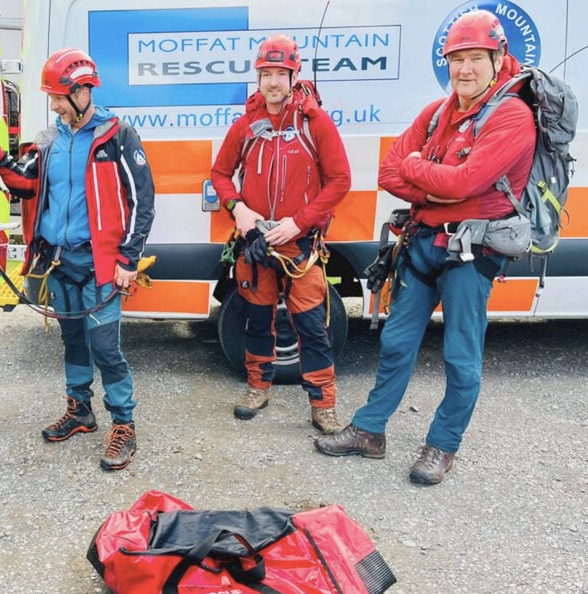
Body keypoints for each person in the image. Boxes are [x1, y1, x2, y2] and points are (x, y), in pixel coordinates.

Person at [315, 10, 536, 485]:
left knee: (460, 356)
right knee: (395, 343)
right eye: (457, 59)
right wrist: (441, 190)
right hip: (422, 246)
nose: (465, 69)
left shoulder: (513, 116)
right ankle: (371, 431)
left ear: (498, 59)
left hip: (471, 255)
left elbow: (469, 180)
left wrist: (425, 176)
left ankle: (442, 445)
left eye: (476, 58)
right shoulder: (436, 112)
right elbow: (388, 172)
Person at [0, 48, 155, 471]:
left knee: (105, 347)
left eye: (59, 96)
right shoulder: (50, 139)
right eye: (52, 97)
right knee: (73, 339)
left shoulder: (117, 134)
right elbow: (26, 185)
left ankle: (124, 424)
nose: (54, 104)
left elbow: (142, 202)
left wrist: (127, 260)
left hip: (100, 263)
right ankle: (80, 409)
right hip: (58, 261)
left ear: (83, 91)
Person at [210, 35, 351, 431]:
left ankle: (323, 404)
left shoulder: (313, 121)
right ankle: (258, 387)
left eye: (280, 74)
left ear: (294, 75)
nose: (273, 82)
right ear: (258, 77)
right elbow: (220, 175)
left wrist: (300, 221)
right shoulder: (247, 125)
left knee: (311, 326)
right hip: (255, 244)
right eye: (266, 74)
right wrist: (239, 210)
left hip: (299, 244)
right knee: (257, 319)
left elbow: (340, 181)